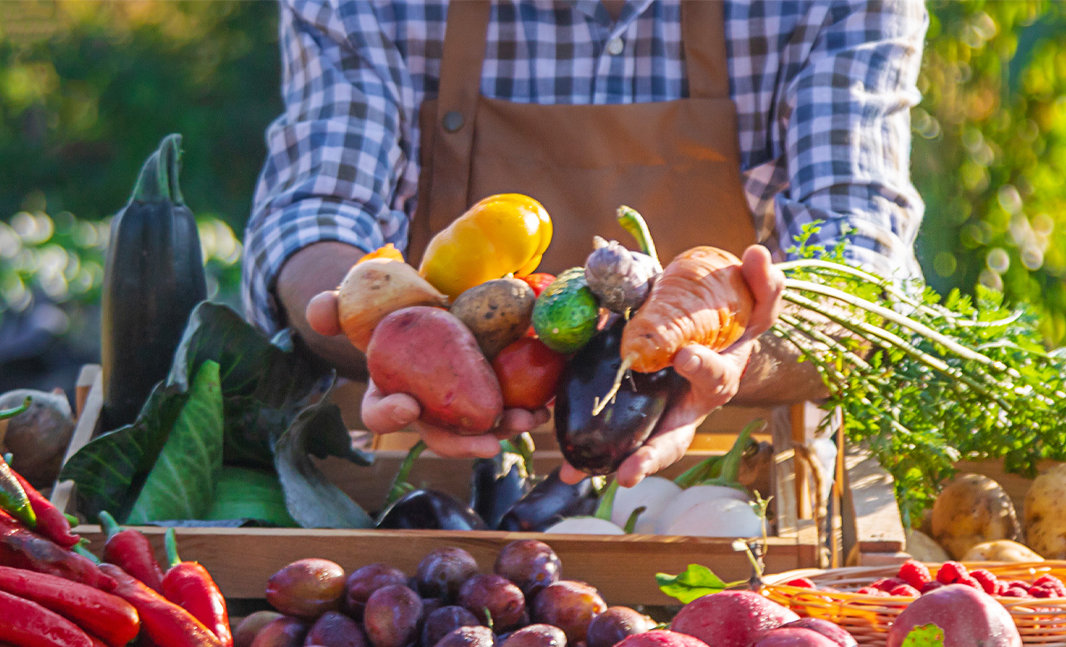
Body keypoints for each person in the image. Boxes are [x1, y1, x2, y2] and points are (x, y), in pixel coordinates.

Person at [243, 0, 927, 485]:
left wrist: (729, 355)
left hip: (730, 494)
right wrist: (390, 338)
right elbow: (313, 220)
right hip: (423, 482)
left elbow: (863, 268)